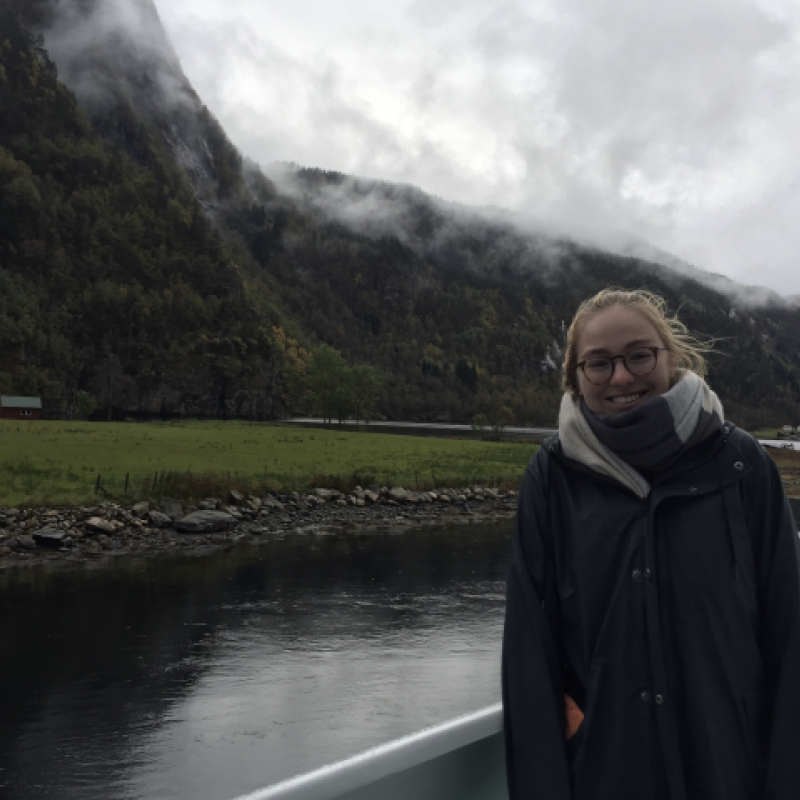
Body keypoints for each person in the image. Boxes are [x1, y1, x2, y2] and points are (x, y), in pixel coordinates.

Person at [502, 288, 800, 800]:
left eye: (639, 355)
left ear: (671, 358)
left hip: (730, 768)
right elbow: (530, 654)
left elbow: (789, 632)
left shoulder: (739, 463)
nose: (621, 376)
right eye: (598, 363)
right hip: (607, 772)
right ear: (574, 377)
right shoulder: (552, 477)